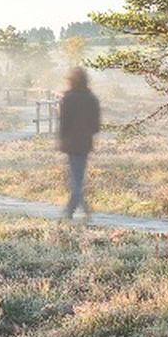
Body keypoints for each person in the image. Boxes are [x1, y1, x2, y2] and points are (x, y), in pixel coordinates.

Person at [58, 67, 101, 221]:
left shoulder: (68, 98)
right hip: (84, 143)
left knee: (75, 179)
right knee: (77, 177)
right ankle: (81, 208)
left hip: (71, 143)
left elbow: (64, 123)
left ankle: (71, 209)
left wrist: (62, 139)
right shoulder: (92, 99)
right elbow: (96, 126)